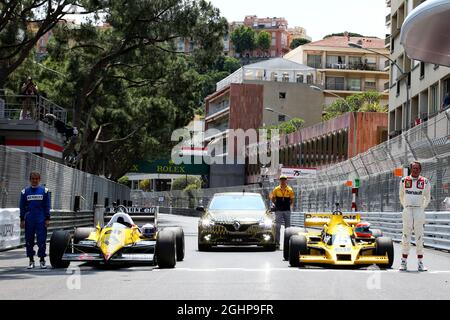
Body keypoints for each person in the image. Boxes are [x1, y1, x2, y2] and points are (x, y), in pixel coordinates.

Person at [399, 161, 431, 272]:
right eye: (413, 168)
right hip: (407, 210)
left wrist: (422, 207)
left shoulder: (425, 181)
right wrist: (406, 206)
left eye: (417, 168)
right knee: (406, 235)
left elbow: (428, 197)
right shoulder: (404, 180)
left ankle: (420, 262)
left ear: (420, 170)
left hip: (419, 210)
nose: (415, 170)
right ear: (410, 169)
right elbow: (401, 195)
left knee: (419, 236)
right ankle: (403, 261)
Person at [20, 172, 51, 269]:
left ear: (39, 179)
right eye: (33, 179)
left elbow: (47, 206)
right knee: (29, 240)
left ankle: (42, 260)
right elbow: (22, 207)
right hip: (29, 220)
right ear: (30, 179)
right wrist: (22, 220)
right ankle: (31, 260)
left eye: (36, 179)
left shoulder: (45, 191)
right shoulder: (24, 192)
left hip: (41, 219)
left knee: (41, 240)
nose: (34, 180)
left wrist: (47, 218)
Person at [270, 175, 295, 250]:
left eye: (284, 179)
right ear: (279, 180)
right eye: (281, 179)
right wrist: (276, 204)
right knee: (277, 227)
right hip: (278, 211)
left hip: (287, 211)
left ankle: (288, 245)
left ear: (286, 180)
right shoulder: (276, 189)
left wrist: (288, 205)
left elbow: (292, 199)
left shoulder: (290, 189)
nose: (283, 181)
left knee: (288, 228)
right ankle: (277, 244)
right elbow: (272, 198)